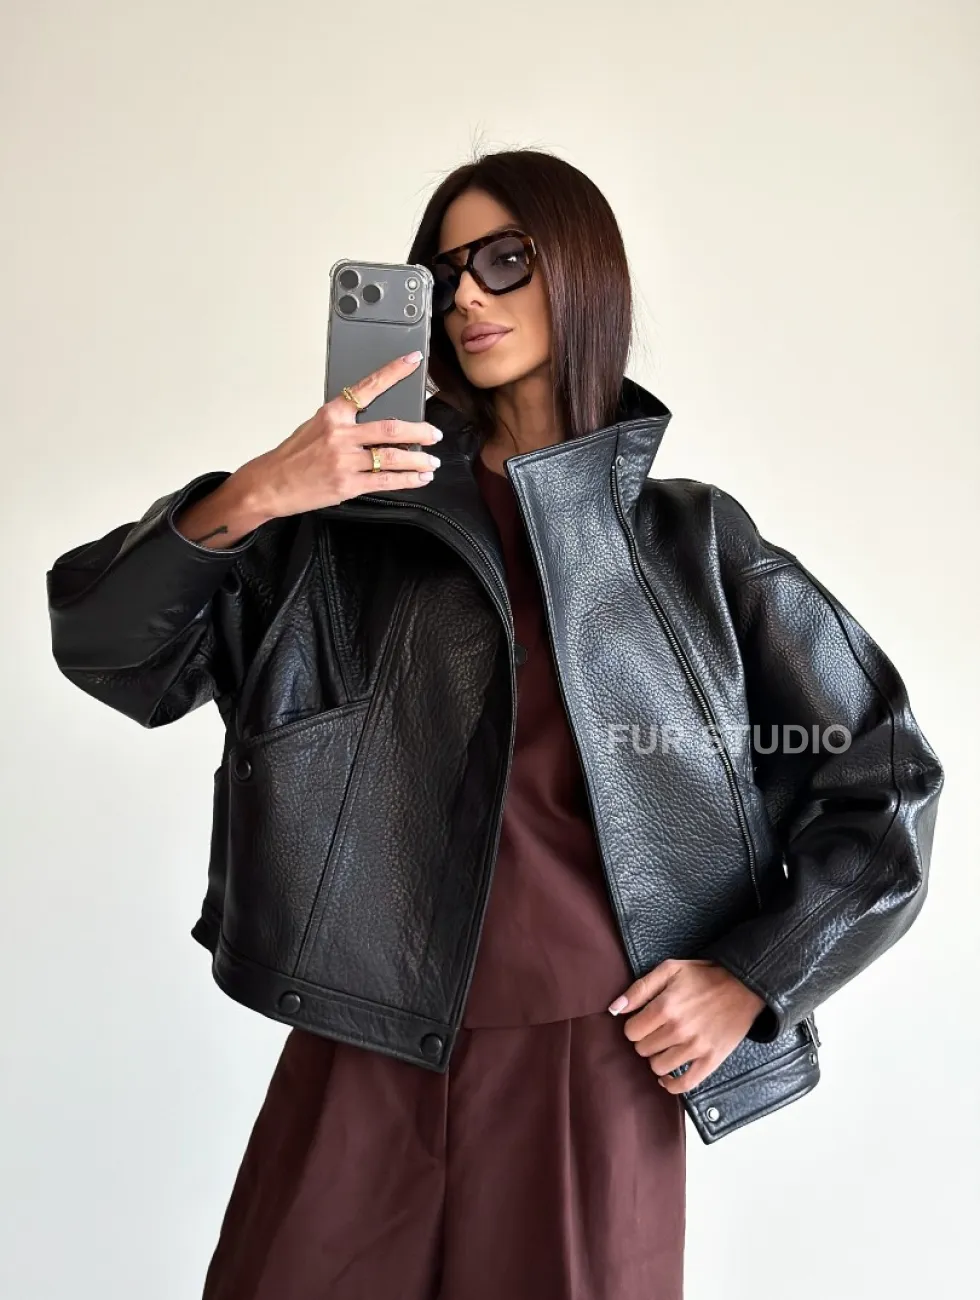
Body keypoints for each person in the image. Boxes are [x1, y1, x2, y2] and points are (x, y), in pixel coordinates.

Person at [46, 149, 944, 1300]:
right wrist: (262, 489)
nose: (466, 292)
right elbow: (108, 647)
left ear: (581, 271)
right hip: (364, 1032)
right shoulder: (339, 535)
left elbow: (885, 776)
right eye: (443, 270)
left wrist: (754, 974)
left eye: (504, 259)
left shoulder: (694, 545)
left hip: (592, 1052)